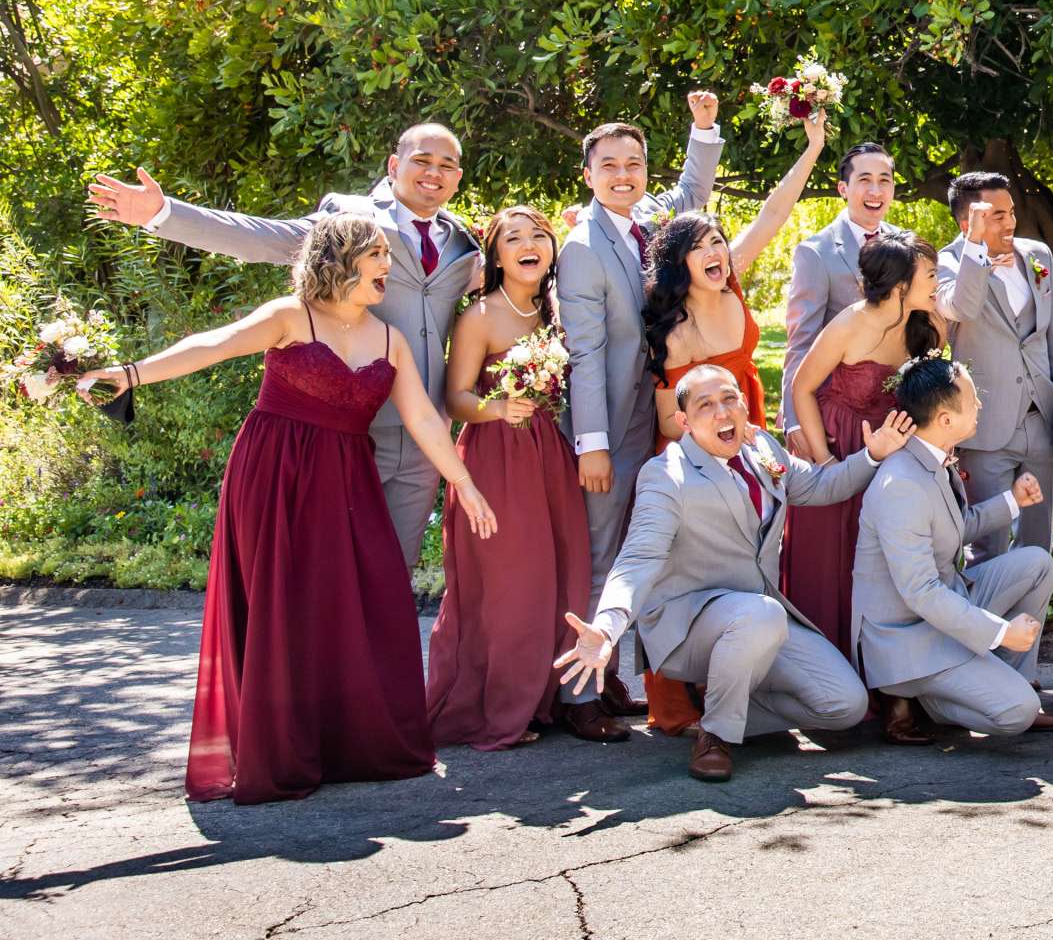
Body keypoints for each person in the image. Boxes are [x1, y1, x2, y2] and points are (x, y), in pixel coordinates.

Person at [76, 215, 499, 804]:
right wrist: (129, 374)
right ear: (341, 258)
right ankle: (282, 748)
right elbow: (212, 346)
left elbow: (425, 420)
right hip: (274, 472)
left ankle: (349, 742)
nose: (387, 267)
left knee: (366, 599)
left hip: (349, 480)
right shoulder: (288, 315)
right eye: (378, 255)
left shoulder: (389, 339)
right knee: (284, 605)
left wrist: (465, 484)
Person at [86, 122, 487, 567]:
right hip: (348, 431)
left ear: (457, 177)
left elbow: (516, 284)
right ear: (394, 165)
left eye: (446, 165)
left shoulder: (463, 245)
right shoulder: (349, 222)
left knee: (391, 576)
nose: (434, 173)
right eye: (422, 161)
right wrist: (163, 214)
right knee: (325, 574)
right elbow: (262, 238)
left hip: (425, 433)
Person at [554, 365, 912, 782]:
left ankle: (722, 711)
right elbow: (638, 559)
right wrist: (607, 626)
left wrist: (874, 454)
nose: (723, 413)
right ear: (683, 421)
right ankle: (717, 738)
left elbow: (817, 486)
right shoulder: (665, 475)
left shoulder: (761, 448)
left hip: (760, 619)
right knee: (761, 614)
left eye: (729, 398)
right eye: (706, 405)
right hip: (688, 628)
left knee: (843, 705)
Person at [634, 110, 827, 731]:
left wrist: (813, 148)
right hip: (700, 441)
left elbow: (773, 212)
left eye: (718, 241)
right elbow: (669, 419)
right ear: (680, 263)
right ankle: (671, 700)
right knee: (692, 559)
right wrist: (722, 433)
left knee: (761, 539)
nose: (717, 251)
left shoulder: (733, 284)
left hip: (749, 421)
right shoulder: (674, 328)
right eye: (702, 247)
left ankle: (755, 667)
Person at [554, 93, 725, 740]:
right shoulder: (580, 246)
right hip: (615, 425)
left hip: (660, 416)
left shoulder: (650, 218)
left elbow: (692, 191)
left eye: (634, 163)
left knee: (648, 549)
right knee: (602, 557)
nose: (623, 174)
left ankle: (622, 681)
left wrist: (702, 130)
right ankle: (580, 699)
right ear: (589, 174)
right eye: (610, 165)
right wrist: (591, 445)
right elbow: (586, 353)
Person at [424, 207, 592, 751]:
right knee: (510, 585)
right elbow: (455, 398)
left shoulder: (556, 310)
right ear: (495, 254)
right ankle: (498, 711)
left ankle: (543, 698)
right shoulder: (480, 315)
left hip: (547, 454)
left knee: (557, 576)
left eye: (539, 235)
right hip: (496, 457)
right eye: (514, 237)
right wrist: (498, 410)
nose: (529, 244)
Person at [855, 355, 1053, 742]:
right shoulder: (901, 483)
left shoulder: (930, 459)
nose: (980, 406)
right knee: (1016, 712)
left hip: (945, 609)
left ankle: (1008, 681)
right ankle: (929, 699)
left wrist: (1012, 502)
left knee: (1036, 564)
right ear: (944, 419)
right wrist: (1002, 632)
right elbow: (920, 592)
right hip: (912, 640)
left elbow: (953, 526)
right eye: (973, 400)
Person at [779, 230, 944, 672]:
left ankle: (883, 672)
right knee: (831, 558)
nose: (937, 282)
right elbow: (802, 387)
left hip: (891, 454)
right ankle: (823, 673)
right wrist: (828, 466)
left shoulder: (925, 326)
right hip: (837, 441)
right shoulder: (851, 322)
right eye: (930, 274)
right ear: (900, 286)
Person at [935, 171, 1053, 565]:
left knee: (1038, 542)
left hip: (1043, 419)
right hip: (985, 425)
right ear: (969, 222)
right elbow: (960, 308)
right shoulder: (946, 263)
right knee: (989, 546)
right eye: (997, 215)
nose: (1011, 222)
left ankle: (1031, 623)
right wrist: (976, 249)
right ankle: (989, 626)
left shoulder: (1039, 255)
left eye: (1011, 212)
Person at [779, 141, 897, 430]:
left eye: (884, 181)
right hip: (841, 411)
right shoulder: (816, 252)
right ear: (843, 189)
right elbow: (801, 344)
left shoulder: (906, 243)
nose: (875, 191)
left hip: (899, 406)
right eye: (864, 180)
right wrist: (794, 423)